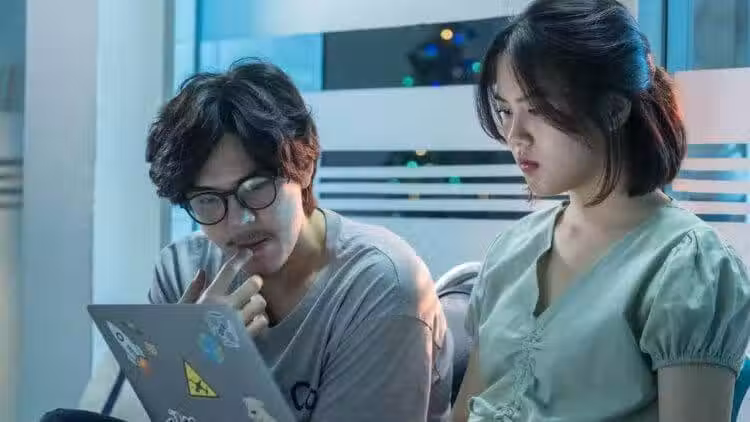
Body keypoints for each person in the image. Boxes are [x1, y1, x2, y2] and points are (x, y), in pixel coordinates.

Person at [43, 60, 452, 422]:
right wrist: (185, 354)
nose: (240, 220)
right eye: (208, 200)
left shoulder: (379, 284)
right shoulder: (183, 269)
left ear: (305, 166)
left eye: (256, 188)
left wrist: (217, 371)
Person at [452, 0, 750, 421]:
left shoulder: (688, 265)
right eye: (505, 110)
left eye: (537, 109)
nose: (515, 135)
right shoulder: (512, 248)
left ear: (613, 110)